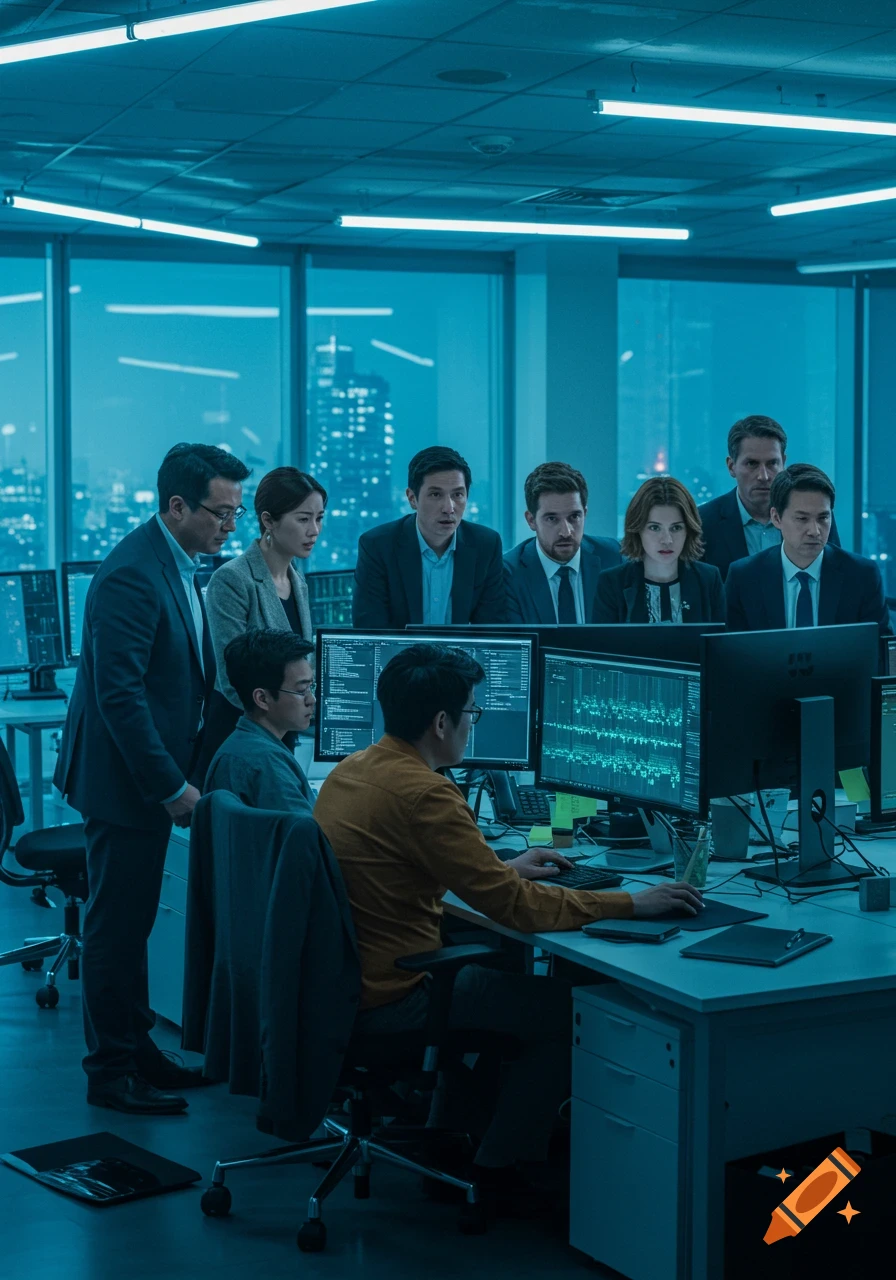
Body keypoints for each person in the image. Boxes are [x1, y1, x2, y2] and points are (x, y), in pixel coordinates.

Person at [314, 644, 702, 1195]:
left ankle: (449, 1131)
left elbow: (399, 862)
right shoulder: (427, 794)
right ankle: (496, 1167)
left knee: (491, 965)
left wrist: (497, 864)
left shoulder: (354, 770)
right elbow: (517, 908)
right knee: (569, 1013)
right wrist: (632, 902)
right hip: (397, 996)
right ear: (442, 722)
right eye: (472, 712)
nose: (474, 724)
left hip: (351, 985)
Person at [54, 442, 251, 1116]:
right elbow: (121, 698)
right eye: (221, 513)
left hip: (142, 777)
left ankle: (138, 1053)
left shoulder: (176, 564)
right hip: (126, 783)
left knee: (132, 925)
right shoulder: (132, 575)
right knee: (115, 928)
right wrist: (170, 786)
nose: (231, 527)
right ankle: (110, 1074)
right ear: (176, 506)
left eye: (236, 513)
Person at [200, 467, 325, 774]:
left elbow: (301, 667)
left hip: (284, 740)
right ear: (268, 520)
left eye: (319, 518)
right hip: (241, 743)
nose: (314, 530)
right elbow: (232, 681)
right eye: (303, 518)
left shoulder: (298, 582)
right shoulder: (232, 580)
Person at [352, 445, 506, 629]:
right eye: (435, 494)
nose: (449, 508)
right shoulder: (378, 546)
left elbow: (492, 629)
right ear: (412, 499)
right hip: (400, 658)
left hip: (461, 657)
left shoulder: (486, 545)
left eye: (457, 494)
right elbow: (370, 629)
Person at [726, 464, 890, 635]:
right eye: (802, 518)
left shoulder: (861, 576)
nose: (815, 531)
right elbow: (733, 654)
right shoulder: (744, 577)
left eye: (823, 518)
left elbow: (882, 650)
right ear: (776, 518)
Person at [699, 415, 840, 579]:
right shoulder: (704, 522)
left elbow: (834, 577)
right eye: (752, 464)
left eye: (772, 463)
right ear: (732, 466)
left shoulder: (814, 516)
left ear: (783, 462)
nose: (764, 476)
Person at [204, 629, 316, 813]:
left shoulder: (244, 747)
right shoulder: (267, 767)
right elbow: (309, 838)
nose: (312, 700)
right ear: (262, 699)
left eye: (311, 687)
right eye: (302, 690)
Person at [503, 461, 622, 624]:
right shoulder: (509, 573)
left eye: (574, 517)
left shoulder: (613, 558)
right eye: (552, 518)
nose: (566, 532)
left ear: (585, 513)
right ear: (531, 520)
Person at [595, 476, 725, 624]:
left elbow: (719, 643)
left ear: (688, 530)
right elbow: (601, 645)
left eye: (676, 528)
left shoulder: (708, 579)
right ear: (637, 529)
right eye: (655, 528)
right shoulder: (612, 583)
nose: (667, 540)